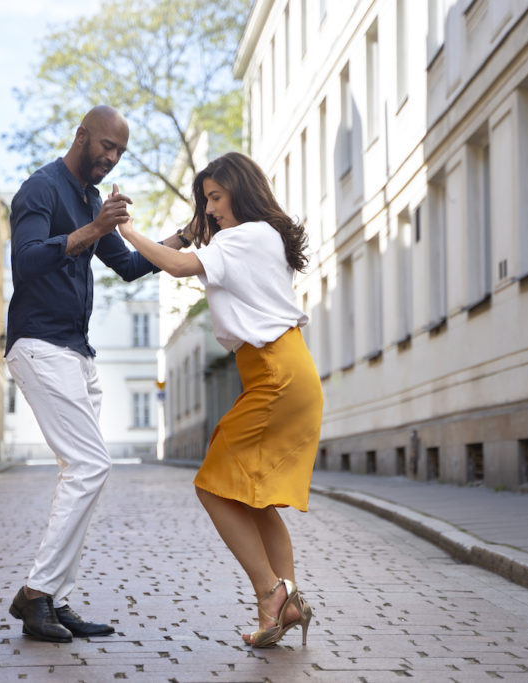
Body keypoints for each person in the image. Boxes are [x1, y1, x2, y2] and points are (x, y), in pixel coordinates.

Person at [5, 105, 196, 643]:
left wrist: (184, 234)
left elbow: (131, 267)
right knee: (91, 464)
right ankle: (36, 596)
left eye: (120, 153)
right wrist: (92, 228)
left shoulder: (91, 200)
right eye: (106, 147)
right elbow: (25, 260)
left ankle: (53, 596)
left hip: (76, 351)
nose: (111, 159)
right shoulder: (39, 189)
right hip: (39, 343)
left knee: (83, 474)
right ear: (82, 136)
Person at [117, 151, 322, 648]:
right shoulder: (260, 238)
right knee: (255, 497)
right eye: (205, 200)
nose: (210, 209)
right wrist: (191, 227)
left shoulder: (243, 236)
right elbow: (196, 250)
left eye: (215, 197)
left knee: (212, 485)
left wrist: (127, 232)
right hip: (285, 372)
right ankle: (287, 602)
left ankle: (269, 594)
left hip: (273, 373)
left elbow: (178, 266)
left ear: (240, 192)